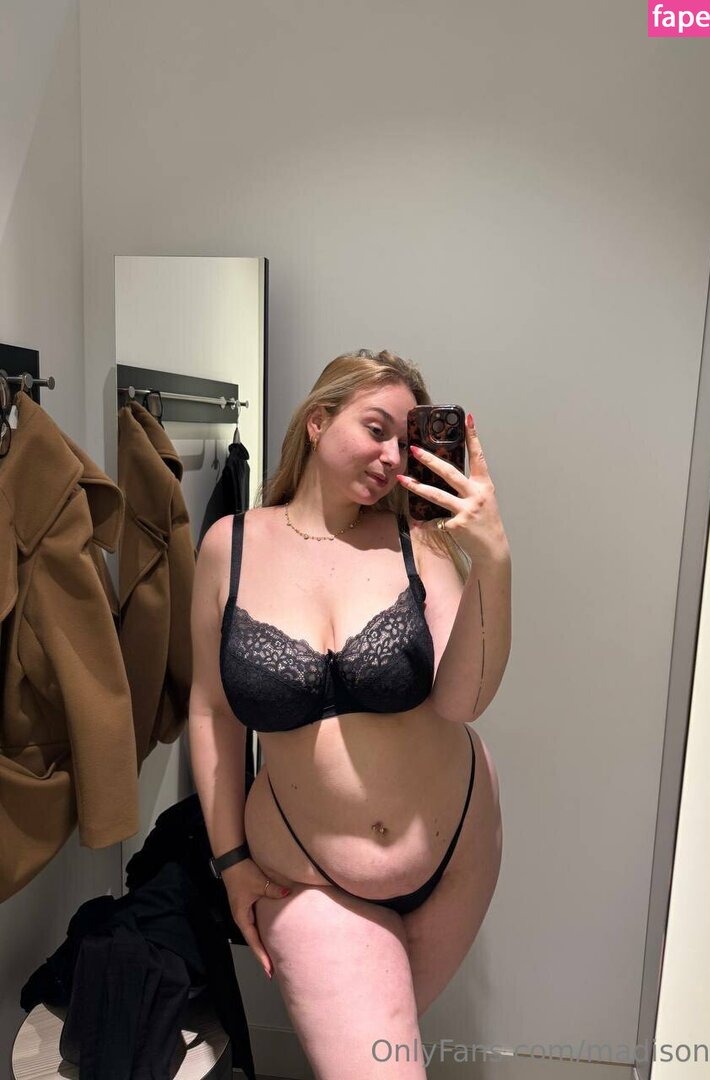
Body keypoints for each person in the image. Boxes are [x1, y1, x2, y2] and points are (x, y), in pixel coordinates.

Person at [189, 349, 511, 1079]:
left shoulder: (418, 542)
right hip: (308, 876)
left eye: (406, 440)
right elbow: (211, 714)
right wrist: (230, 861)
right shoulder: (230, 546)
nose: (393, 456)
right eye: (376, 428)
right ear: (317, 420)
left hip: (457, 851)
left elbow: (463, 701)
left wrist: (492, 559)